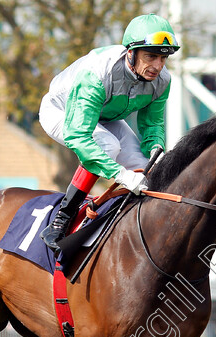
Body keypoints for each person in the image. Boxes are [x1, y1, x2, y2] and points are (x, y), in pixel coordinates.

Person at [38, 13, 181, 252]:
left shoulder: (162, 81)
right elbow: (80, 136)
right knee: (108, 146)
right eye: (151, 56)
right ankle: (62, 219)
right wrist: (119, 174)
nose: (158, 66)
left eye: (163, 59)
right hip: (62, 112)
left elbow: (152, 125)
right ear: (131, 52)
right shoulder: (97, 74)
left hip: (106, 118)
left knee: (146, 166)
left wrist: (156, 147)